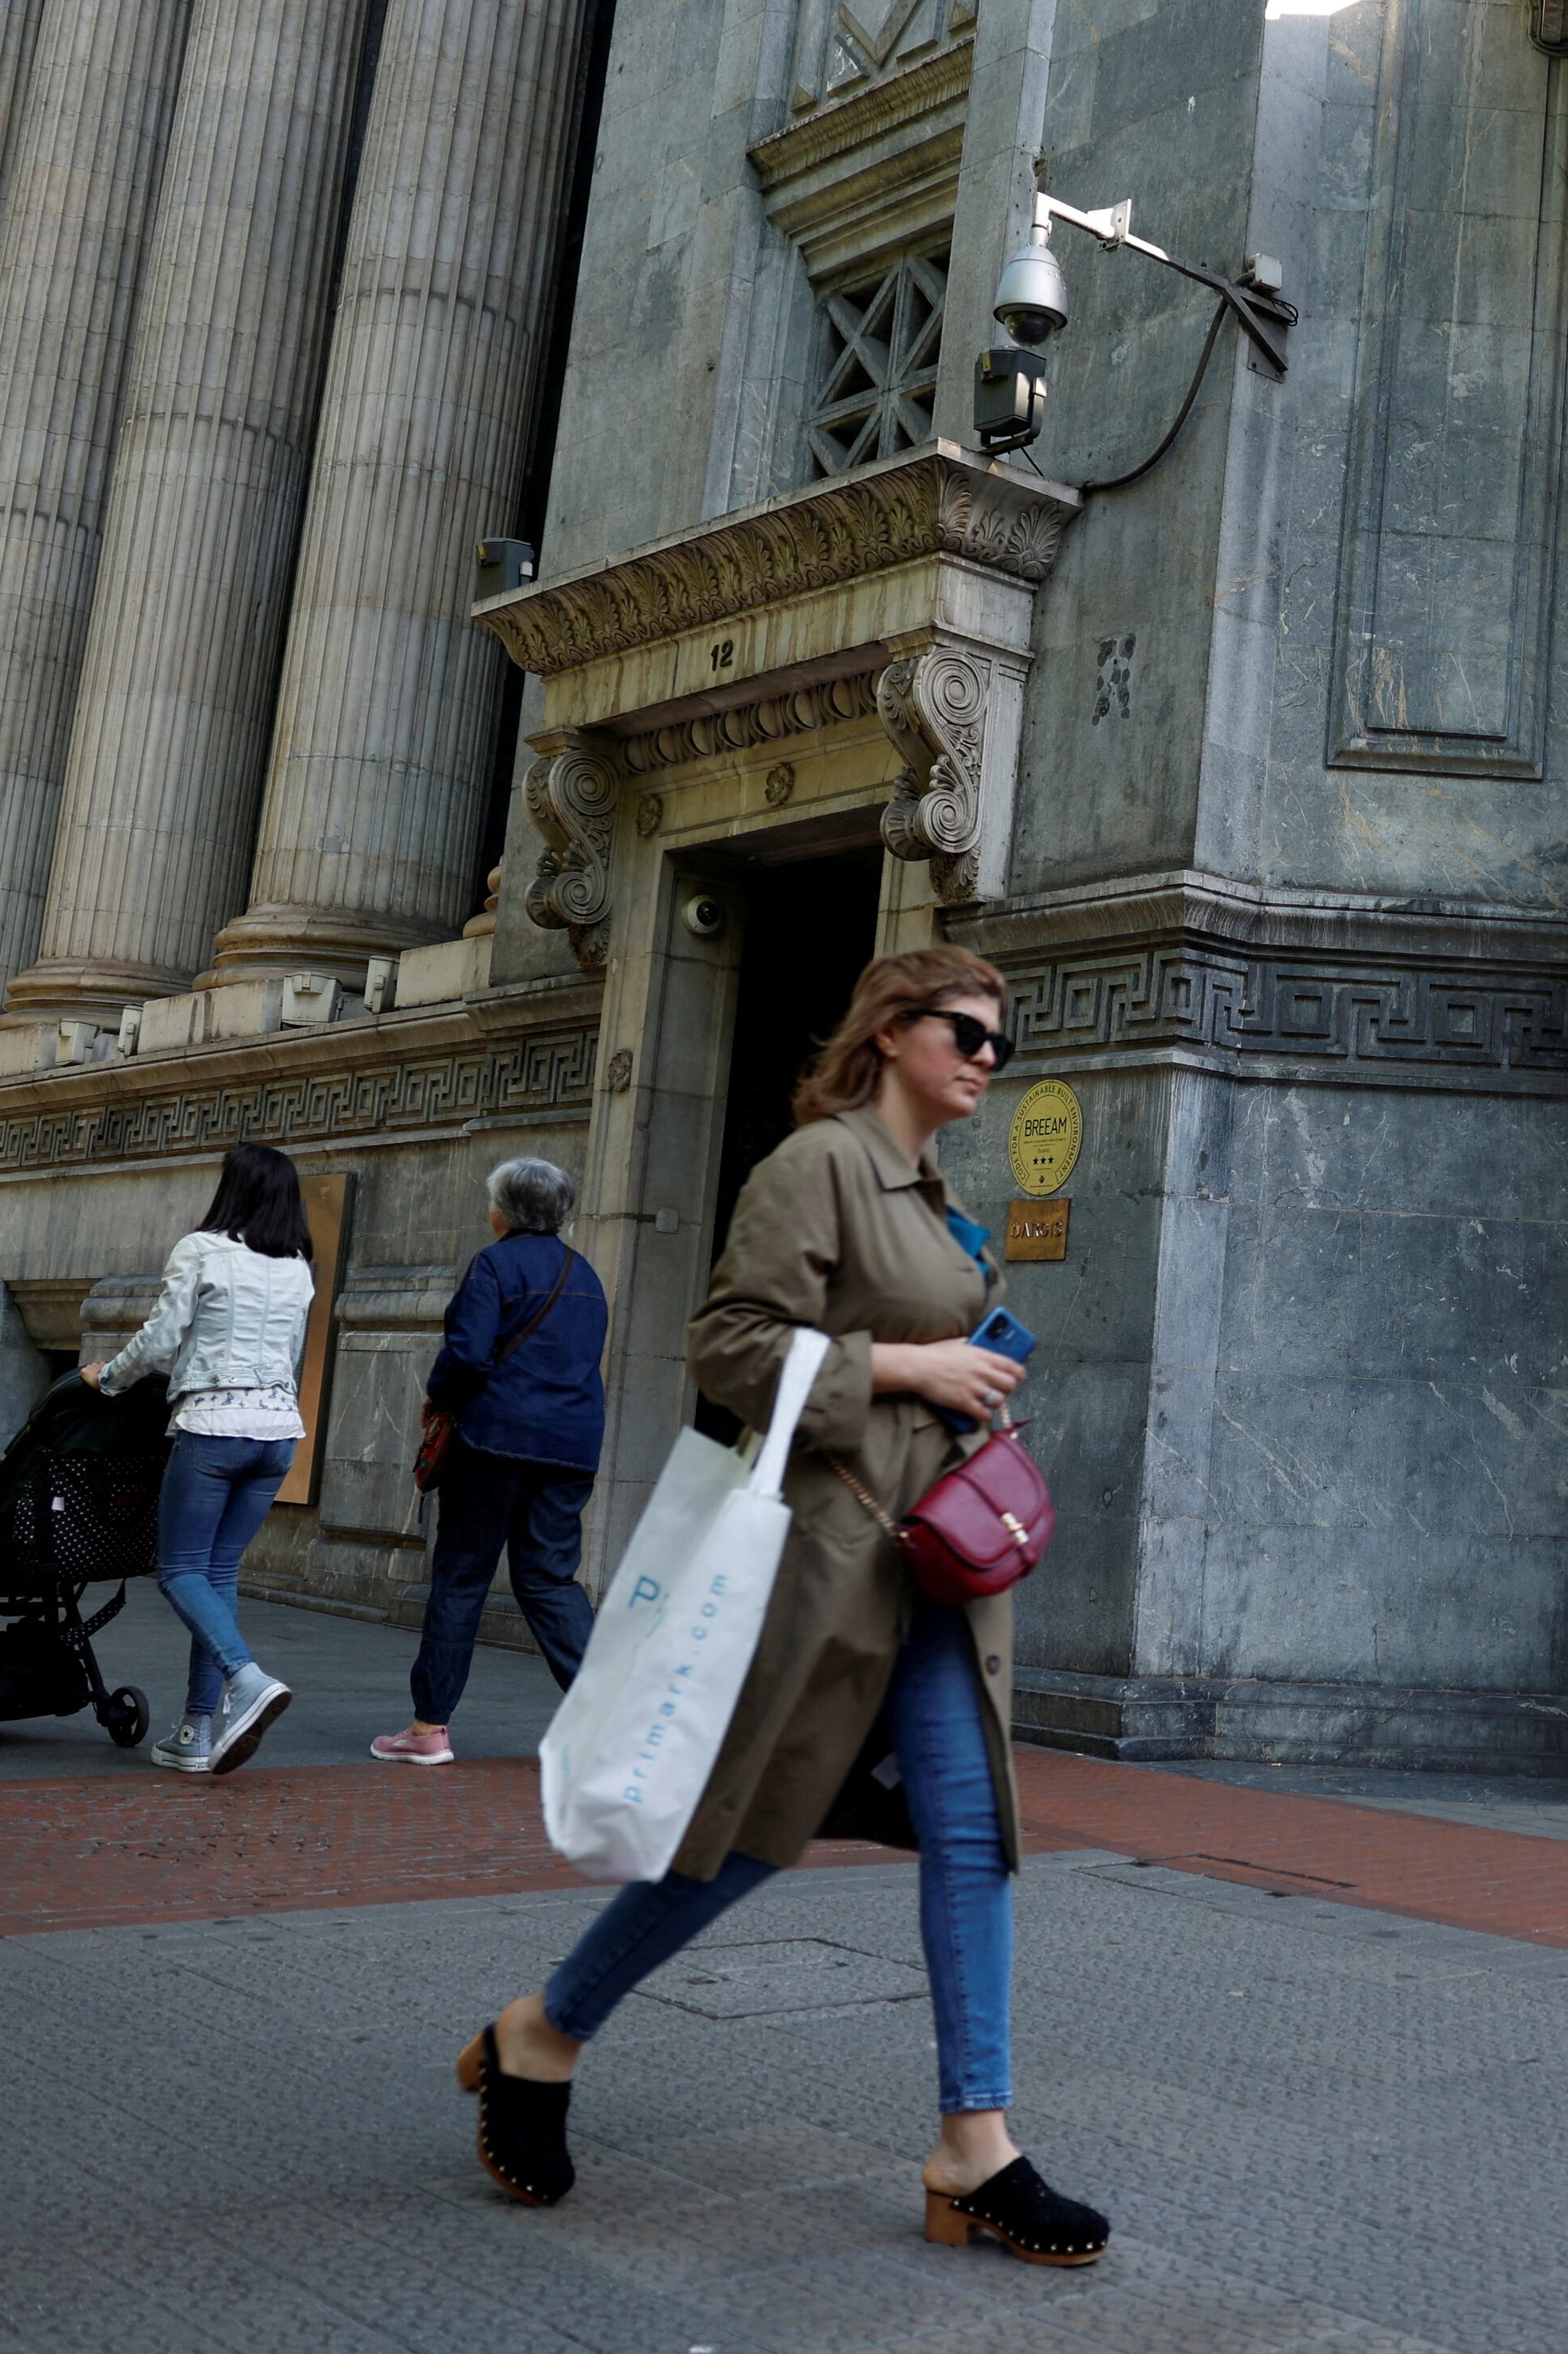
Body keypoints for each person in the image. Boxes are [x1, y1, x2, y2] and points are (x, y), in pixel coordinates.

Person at [454, 945, 1107, 2266]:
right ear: (891, 1029)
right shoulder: (817, 1165)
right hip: (832, 1571)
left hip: (931, 1571)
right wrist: (914, 1360)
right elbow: (732, 1342)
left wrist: (960, 1385)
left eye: (1002, 1040)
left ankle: (974, 2143)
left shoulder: (936, 1198)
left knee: (972, 1831)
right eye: (967, 1031)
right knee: (750, 1831)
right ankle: (548, 2025)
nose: (990, 1055)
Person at [373, 1157, 614, 1766]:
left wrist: (438, 1395)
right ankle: (613, 1719)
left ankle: (429, 1729)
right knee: (551, 1580)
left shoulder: (494, 1264)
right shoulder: (585, 1274)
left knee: (461, 1577)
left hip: (494, 1441)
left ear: (503, 1211)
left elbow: (468, 1355)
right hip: (571, 1446)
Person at [88, 1141, 317, 1775]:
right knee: (217, 1577)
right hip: (277, 1433)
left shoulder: (202, 1249)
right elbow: (292, 1351)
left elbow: (159, 1339)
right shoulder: (299, 1264)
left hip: (214, 1425)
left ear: (232, 1189)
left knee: (178, 1569)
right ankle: (195, 1729)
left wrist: (108, 1377)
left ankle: (246, 1679)